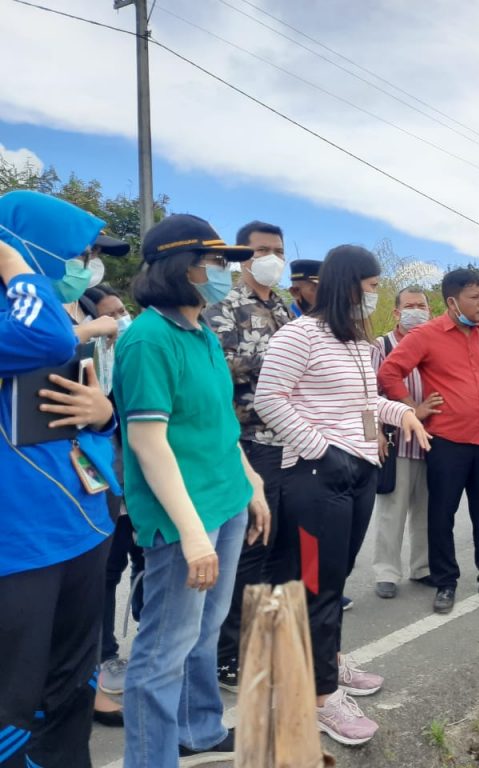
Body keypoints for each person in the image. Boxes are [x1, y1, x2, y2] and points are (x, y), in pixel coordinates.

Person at [255, 245, 431, 745]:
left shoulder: (357, 341)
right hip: (315, 479)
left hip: (358, 473)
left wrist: (400, 415)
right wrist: (321, 450)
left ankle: (326, 662)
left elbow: (365, 402)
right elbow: (269, 399)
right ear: (349, 284)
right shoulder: (298, 335)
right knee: (316, 585)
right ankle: (320, 698)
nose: (374, 296)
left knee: (333, 577)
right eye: (371, 287)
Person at [113, 214, 271, 765]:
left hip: (225, 499)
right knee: (162, 652)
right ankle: (151, 757)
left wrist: (251, 483)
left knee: (203, 632)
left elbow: (220, 423)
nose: (224, 272)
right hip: (184, 516)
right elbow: (148, 442)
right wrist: (192, 534)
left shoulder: (200, 331)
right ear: (181, 266)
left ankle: (199, 729)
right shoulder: (147, 338)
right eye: (215, 261)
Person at [0, 191, 118, 767]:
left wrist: (103, 414)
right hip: (19, 548)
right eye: (77, 253)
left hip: (84, 527)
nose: (86, 265)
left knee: (72, 688)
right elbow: (44, 339)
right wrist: (11, 260)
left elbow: (83, 416)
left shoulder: (56, 314)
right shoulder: (35, 319)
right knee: (14, 706)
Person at [378, 268, 479, 614]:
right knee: (441, 514)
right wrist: (412, 410)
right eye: (475, 297)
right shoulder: (426, 335)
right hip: (447, 441)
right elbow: (389, 373)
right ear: (453, 302)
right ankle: (445, 582)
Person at [204, 220, 292, 692]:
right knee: (250, 550)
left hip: (288, 441)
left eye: (277, 250)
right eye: (261, 250)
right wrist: (276, 364)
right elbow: (216, 376)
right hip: (248, 443)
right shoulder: (221, 309)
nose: (271, 258)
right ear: (243, 256)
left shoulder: (284, 308)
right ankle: (228, 655)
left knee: (278, 548)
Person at [83, 284, 145, 727]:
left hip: (141, 486)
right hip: (105, 488)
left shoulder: (134, 356)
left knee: (148, 562)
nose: (120, 321)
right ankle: (103, 655)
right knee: (105, 572)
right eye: (110, 315)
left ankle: (148, 646)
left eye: (122, 311)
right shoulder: (86, 368)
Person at [370, 286, 440, 598]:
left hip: (432, 442)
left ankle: (422, 567)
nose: (416, 311)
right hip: (395, 441)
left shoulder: (436, 345)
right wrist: (373, 436)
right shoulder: (381, 345)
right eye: (409, 306)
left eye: (421, 306)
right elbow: (367, 396)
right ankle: (386, 572)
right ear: (397, 312)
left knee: (427, 509)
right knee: (392, 511)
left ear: (430, 311)